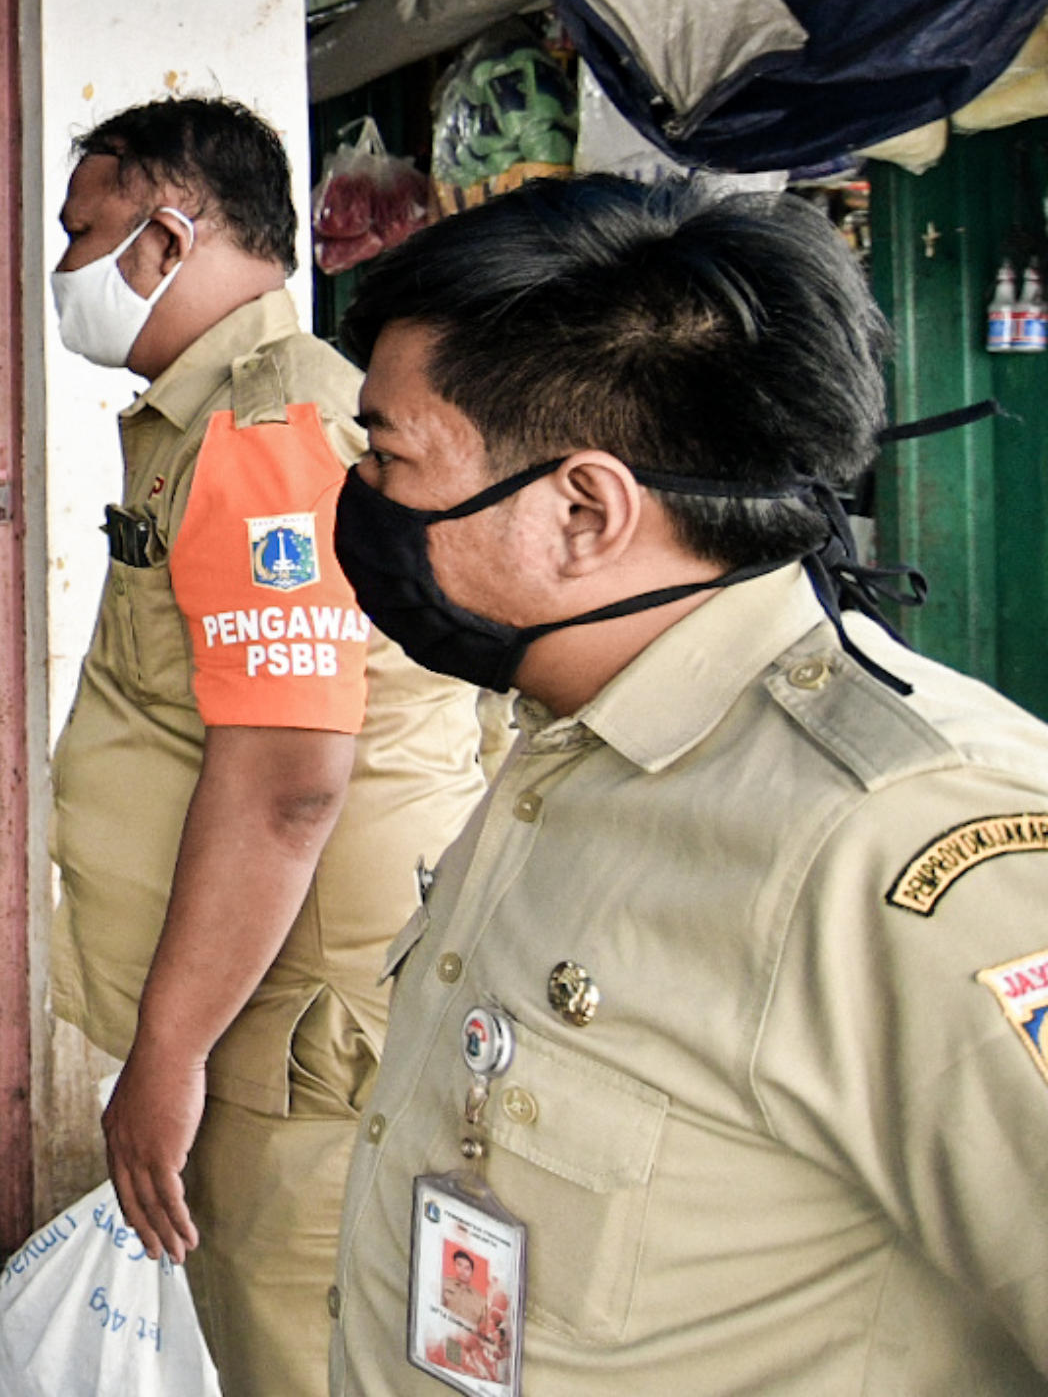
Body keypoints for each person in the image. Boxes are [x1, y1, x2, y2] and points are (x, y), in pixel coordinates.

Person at [328, 178, 1048, 1392]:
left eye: (389, 455)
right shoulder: (570, 734)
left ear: (582, 510)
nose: (362, 496)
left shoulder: (902, 849)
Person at [44, 97, 486, 1397]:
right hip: (264, 1002)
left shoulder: (264, 432)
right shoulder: (211, 417)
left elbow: (288, 779)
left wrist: (166, 1055)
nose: (65, 268)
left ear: (166, 232)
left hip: (288, 1029)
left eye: (82, 232)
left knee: (293, 1345)